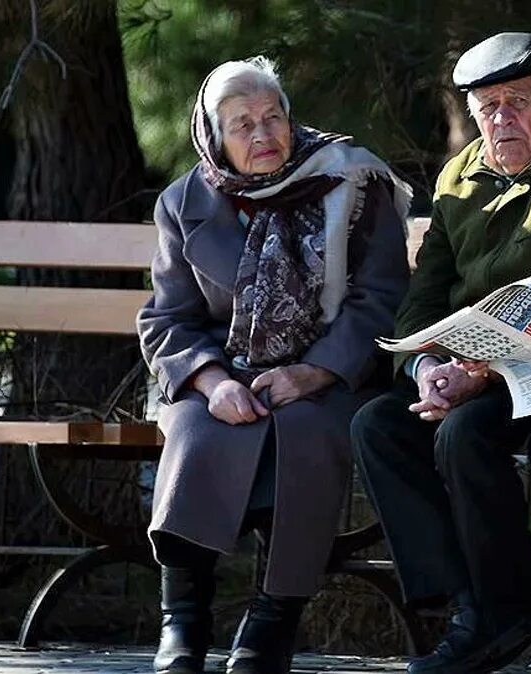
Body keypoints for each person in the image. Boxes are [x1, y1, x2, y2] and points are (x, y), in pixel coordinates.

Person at [349, 32, 531, 674]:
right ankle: (477, 605)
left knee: (465, 434)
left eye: (516, 102)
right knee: (377, 424)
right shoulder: (461, 174)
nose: (500, 120)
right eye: (487, 108)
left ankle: (501, 611)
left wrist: (484, 373)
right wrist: (427, 365)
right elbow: (424, 293)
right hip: (467, 369)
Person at [138, 56, 411, 674]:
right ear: (213, 135)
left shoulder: (351, 181)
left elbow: (381, 299)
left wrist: (314, 371)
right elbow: (168, 318)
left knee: (307, 433)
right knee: (194, 433)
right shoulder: (184, 201)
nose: (263, 136)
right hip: (222, 373)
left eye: (273, 117)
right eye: (242, 125)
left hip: (330, 373)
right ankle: (183, 621)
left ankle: (272, 619)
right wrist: (208, 383)